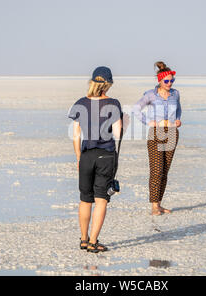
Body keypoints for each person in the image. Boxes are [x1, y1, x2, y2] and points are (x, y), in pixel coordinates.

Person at [67, 66, 123, 253]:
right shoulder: (113, 104)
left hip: (86, 156)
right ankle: (93, 241)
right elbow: (117, 133)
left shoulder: (80, 103)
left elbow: (76, 134)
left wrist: (78, 158)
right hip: (106, 155)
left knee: (85, 199)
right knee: (101, 200)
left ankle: (83, 239)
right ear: (108, 84)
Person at [133, 61, 182, 216]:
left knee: (165, 171)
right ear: (159, 81)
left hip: (172, 132)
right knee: (156, 170)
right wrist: (148, 122)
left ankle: (159, 204)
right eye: (166, 81)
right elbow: (136, 109)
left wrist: (178, 119)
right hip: (156, 132)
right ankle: (154, 206)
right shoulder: (150, 94)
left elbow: (179, 109)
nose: (169, 83)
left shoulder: (176, 94)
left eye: (171, 80)